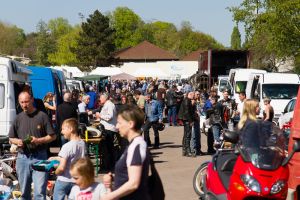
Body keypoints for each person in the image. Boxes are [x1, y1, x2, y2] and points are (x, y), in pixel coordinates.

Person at [8, 91, 56, 200]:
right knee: (24, 192)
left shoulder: (42, 116)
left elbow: (53, 136)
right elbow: (11, 137)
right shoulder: (18, 118)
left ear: (32, 100)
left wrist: (39, 140)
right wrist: (18, 141)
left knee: (39, 192)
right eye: (22, 102)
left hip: (40, 157)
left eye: (26, 102)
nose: (24, 105)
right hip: (23, 157)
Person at [101, 105, 150, 200]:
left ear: (130, 124)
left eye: (119, 123)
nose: (117, 126)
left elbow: (133, 183)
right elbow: (130, 175)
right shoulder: (133, 145)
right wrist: (114, 178)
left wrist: (109, 197)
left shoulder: (137, 146)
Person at [49, 118, 85, 200]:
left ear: (71, 129)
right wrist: (54, 158)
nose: (61, 132)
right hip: (76, 180)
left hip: (64, 180)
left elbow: (61, 167)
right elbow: (72, 157)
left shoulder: (66, 146)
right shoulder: (82, 143)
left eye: (63, 129)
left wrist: (56, 172)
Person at [95, 93, 118, 171]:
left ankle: (108, 166)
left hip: (109, 129)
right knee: (106, 148)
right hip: (107, 128)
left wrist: (100, 116)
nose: (99, 99)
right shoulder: (106, 104)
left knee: (108, 148)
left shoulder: (110, 105)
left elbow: (110, 117)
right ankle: (107, 165)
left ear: (105, 98)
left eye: (101, 98)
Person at [178, 92, 196, 157]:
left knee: (186, 135)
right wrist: (191, 121)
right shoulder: (186, 101)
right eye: (193, 95)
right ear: (190, 95)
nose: (194, 97)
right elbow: (187, 112)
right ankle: (188, 151)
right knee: (188, 135)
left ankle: (185, 150)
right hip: (187, 120)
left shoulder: (187, 100)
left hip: (186, 119)